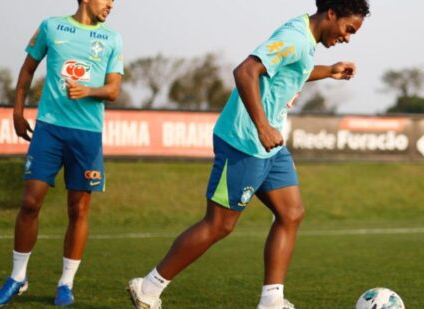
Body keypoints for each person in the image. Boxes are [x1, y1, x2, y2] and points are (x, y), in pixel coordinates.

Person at [128, 0, 369, 308]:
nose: (347, 37)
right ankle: (148, 289)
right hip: (245, 141)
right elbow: (245, 71)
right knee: (219, 225)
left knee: (291, 213)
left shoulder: (307, 41)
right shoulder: (295, 37)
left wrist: (329, 72)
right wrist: (263, 127)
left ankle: (271, 301)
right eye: (348, 29)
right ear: (331, 14)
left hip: (271, 147)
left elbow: (290, 71)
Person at [0, 0, 123, 307]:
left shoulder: (112, 38)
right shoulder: (50, 26)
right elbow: (27, 71)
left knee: (78, 209)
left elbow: (114, 90)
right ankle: (17, 277)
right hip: (48, 129)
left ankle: (66, 283)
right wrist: (18, 111)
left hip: (87, 135)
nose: (112, 4)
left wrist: (88, 91)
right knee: (30, 201)